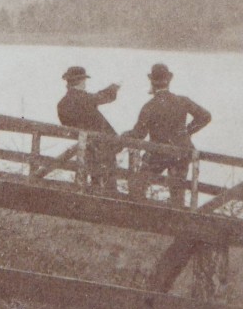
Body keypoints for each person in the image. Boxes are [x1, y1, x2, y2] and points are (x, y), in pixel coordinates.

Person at [123, 63, 212, 205]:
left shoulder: (149, 106)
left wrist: (123, 136)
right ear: (169, 81)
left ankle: (140, 216)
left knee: (137, 185)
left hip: (159, 153)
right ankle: (176, 220)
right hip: (182, 152)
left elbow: (139, 134)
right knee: (177, 191)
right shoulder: (182, 101)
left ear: (152, 82)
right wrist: (186, 132)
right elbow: (205, 116)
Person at [55, 66, 120, 189]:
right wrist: (114, 87)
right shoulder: (84, 98)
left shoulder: (62, 104)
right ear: (81, 81)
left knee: (84, 181)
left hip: (82, 147)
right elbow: (104, 97)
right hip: (102, 147)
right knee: (108, 185)